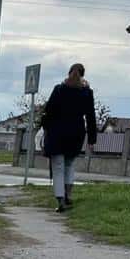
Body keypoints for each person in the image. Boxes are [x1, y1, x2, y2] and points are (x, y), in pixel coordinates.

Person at [41, 63, 97, 212]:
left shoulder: (59, 90)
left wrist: (45, 128)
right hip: (76, 133)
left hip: (57, 133)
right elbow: (91, 117)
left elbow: (48, 111)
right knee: (69, 165)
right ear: (83, 75)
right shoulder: (87, 93)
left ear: (69, 73)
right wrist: (92, 139)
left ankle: (60, 200)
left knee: (58, 167)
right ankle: (68, 195)